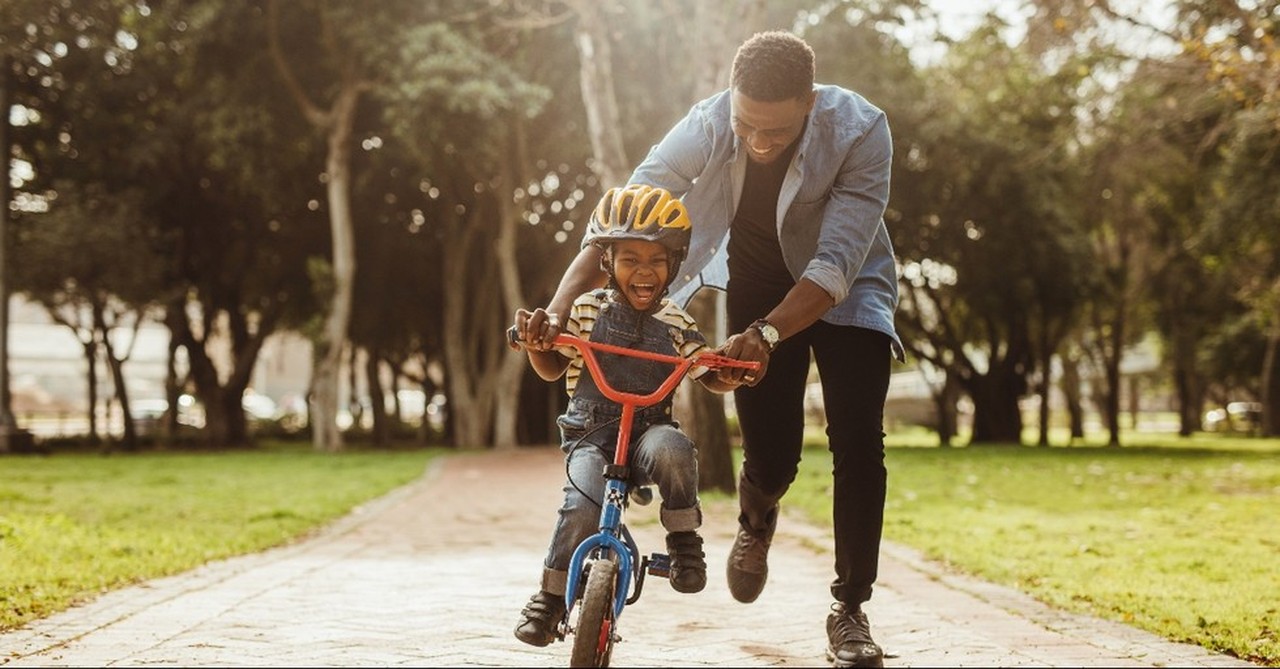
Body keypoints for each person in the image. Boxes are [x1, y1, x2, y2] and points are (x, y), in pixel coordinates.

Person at [527, 31, 902, 668]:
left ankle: (850, 608)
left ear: (808, 102)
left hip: (849, 288)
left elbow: (835, 263)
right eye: (746, 125)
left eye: (775, 133)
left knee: (858, 441)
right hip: (758, 281)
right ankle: (757, 515)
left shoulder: (862, 130)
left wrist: (768, 336)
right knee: (774, 456)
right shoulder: (707, 123)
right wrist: (560, 304)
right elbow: (627, 212)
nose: (757, 142)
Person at [510, 184, 743, 648]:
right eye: (630, 258)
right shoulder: (583, 309)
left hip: (648, 433)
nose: (643, 271)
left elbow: (705, 371)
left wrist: (729, 373)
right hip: (591, 434)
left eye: (657, 260)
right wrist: (538, 345)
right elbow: (554, 365)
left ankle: (682, 541)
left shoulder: (677, 322)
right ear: (607, 263)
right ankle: (551, 597)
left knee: (675, 450)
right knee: (582, 504)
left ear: (674, 265)